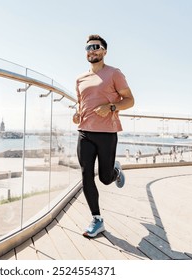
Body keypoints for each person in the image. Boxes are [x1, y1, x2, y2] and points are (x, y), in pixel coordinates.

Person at [73, 34, 135, 238]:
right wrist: (77, 113)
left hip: (107, 133)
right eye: (88, 48)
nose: (92, 50)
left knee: (105, 178)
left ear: (104, 51)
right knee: (85, 175)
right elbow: (81, 103)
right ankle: (97, 219)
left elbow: (129, 101)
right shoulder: (80, 79)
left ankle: (115, 172)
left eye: (96, 47)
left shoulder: (114, 74)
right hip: (85, 133)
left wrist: (110, 107)